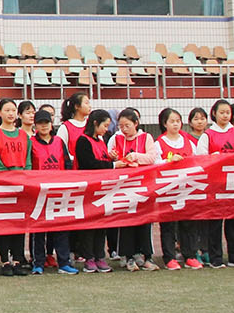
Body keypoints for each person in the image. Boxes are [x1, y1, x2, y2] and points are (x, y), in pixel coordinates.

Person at [150, 108, 202, 270]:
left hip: (186, 188)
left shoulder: (188, 142)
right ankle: (169, 257)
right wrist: (169, 161)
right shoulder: (159, 143)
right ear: (164, 123)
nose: (175, 124)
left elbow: (197, 160)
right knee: (168, 224)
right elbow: (154, 163)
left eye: (178, 121)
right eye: (172, 121)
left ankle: (190, 255)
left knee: (188, 223)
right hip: (168, 189)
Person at [0, 99, 32, 276]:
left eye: (13, 110)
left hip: (21, 184)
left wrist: (25, 177)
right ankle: (5, 261)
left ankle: (18, 260)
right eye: (7, 110)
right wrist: (7, 177)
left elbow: (28, 160)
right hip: (2, 184)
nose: (10, 114)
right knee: (4, 223)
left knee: (19, 223)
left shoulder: (24, 135)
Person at [109, 107, 159, 272]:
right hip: (124, 186)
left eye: (127, 125)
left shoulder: (146, 137)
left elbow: (152, 157)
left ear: (136, 123)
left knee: (145, 220)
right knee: (126, 220)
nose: (124, 129)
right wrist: (113, 157)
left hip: (143, 184)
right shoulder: (116, 139)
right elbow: (111, 157)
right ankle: (128, 256)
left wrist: (136, 156)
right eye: (121, 126)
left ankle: (147, 256)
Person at [29, 109, 77, 275]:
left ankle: (64, 262)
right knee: (38, 230)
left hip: (59, 191)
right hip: (39, 192)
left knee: (61, 228)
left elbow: (67, 163)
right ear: (35, 126)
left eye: (46, 123)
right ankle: (38, 263)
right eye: (40, 123)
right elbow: (28, 165)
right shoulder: (31, 143)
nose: (44, 126)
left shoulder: (59, 141)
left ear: (51, 124)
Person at [199, 98, 234, 267]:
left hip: (233, 182)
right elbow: (200, 158)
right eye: (222, 112)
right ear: (214, 114)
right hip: (215, 184)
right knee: (215, 222)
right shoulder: (208, 135)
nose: (225, 116)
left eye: (228, 113)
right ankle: (216, 258)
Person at [70, 109, 114, 273]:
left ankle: (99, 256)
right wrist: (112, 165)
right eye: (104, 125)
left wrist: (111, 158)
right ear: (95, 123)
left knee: (101, 224)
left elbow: (101, 160)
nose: (106, 129)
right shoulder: (83, 140)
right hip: (88, 189)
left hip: (101, 189)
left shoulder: (100, 141)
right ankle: (88, 257)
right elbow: (89, 164)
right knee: (89, 225)